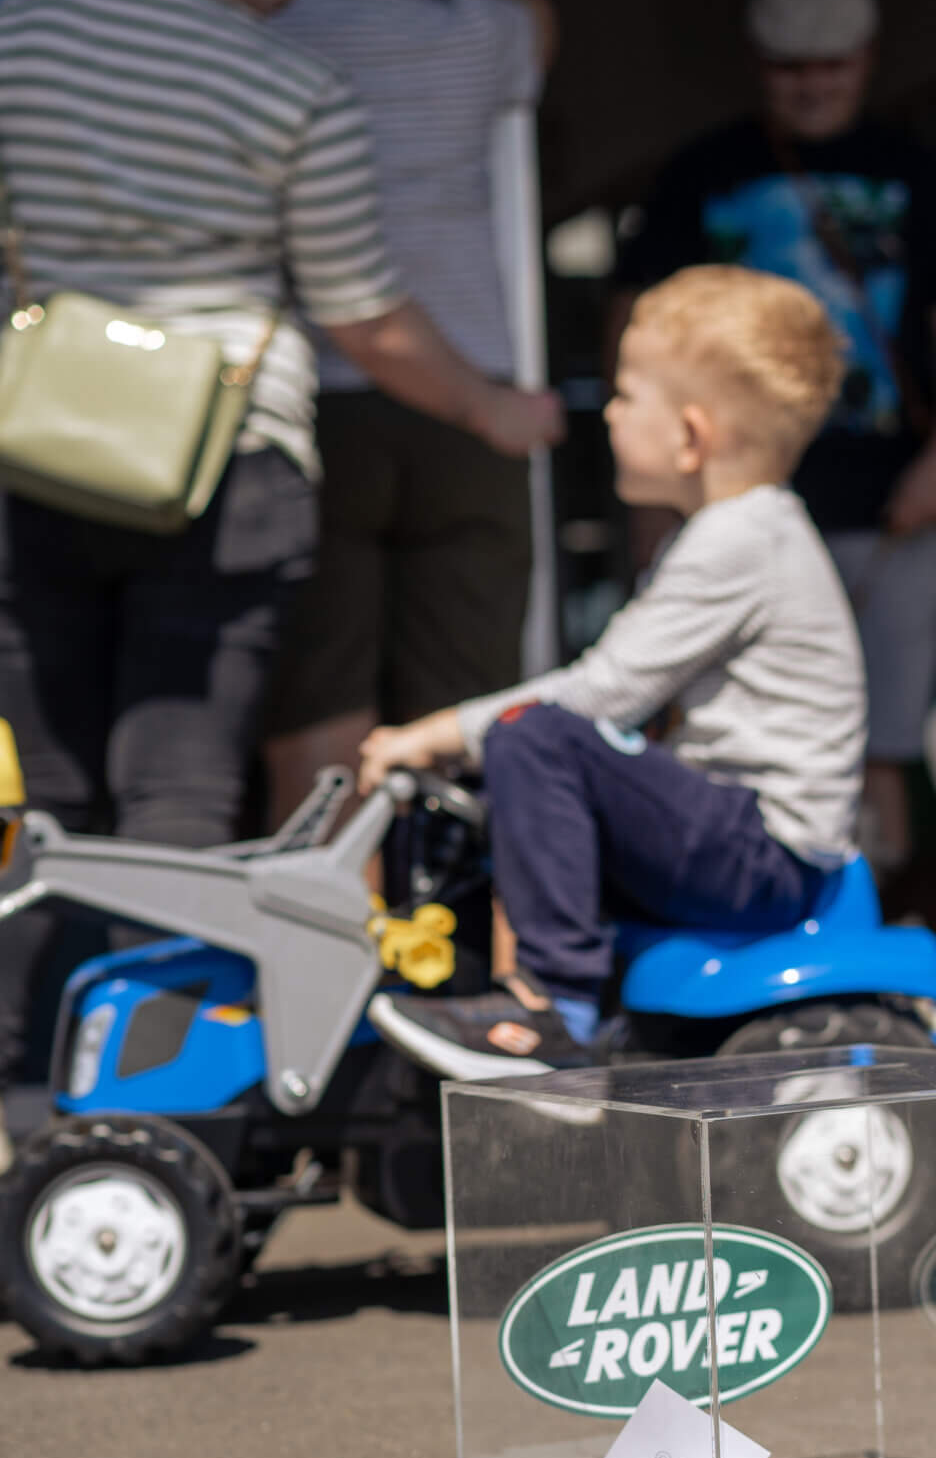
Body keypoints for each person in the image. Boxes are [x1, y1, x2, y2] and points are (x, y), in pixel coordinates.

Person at [0, 0, 560, 1189]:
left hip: (28, 457)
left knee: (21, 773)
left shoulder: (12, 39)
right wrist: (496, 407)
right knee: (179, 783)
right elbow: (365, 316)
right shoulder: (283, 87)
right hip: (222, 463)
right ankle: (153, 1104)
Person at [356, 265, 865, 1076]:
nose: (611, 413)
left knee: (536, 739)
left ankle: (551, 1008)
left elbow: (602, 694)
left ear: (691, 436)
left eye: (626, 396)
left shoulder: (739, 541)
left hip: (761, 851)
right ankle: (462, 990)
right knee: (515, 774)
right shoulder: (732, 532)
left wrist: (434, 735)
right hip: (737, 834)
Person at [610, 0, 936, 878]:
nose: (813, 85)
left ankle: (872, 916)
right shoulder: (703, 173)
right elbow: (633, 330)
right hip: (724, 507)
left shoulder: (910, 170)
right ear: (757, 61)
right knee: (708, 726)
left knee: (886, 730)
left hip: (886, 502)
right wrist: (648, 499)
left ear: (866, 59)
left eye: (832, 64)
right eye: (792, 66)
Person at [264, 0, 559, 824]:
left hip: (315, 403)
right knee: (470, 712)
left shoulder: (261, 31)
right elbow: (539, 20)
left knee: (318, 705)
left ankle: (316, 947)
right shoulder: (479, 32)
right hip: (468, 404)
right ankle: (459, 952)